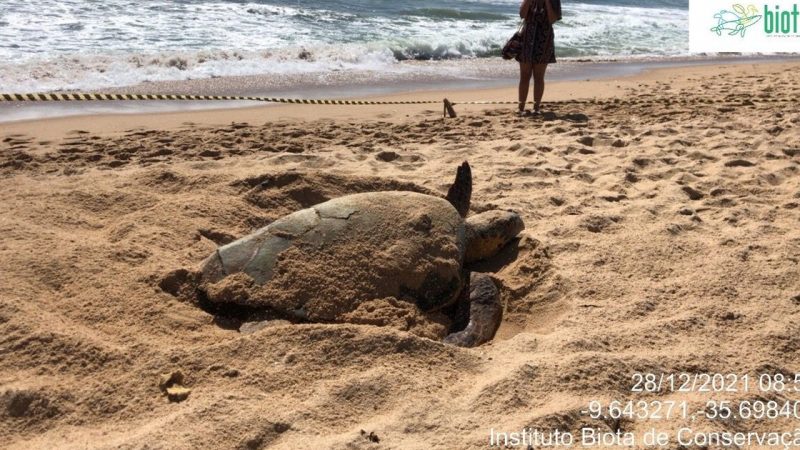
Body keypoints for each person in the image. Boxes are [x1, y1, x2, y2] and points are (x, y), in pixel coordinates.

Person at [517, 0, 561, 116]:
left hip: (544, 40)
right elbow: (522, 15)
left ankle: (536, 108)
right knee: (525, 75)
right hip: (527, 38)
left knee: (539, 76)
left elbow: (552, 19)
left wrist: (547, 2)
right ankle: (521, 108)